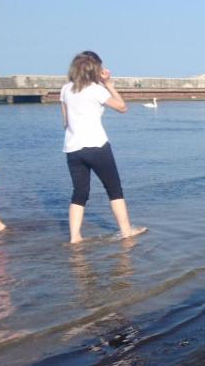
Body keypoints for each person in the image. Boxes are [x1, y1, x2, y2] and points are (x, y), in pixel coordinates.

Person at [60, 51, 145, 243]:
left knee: (79, 193)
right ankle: (126, 231)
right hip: (97, 146)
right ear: (95, 70)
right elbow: (122, 107)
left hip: (72, 148)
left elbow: (65, 122)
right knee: (114, 189)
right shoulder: (96, 90)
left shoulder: (66, 89)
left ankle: (75, 237)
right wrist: (108, 84)